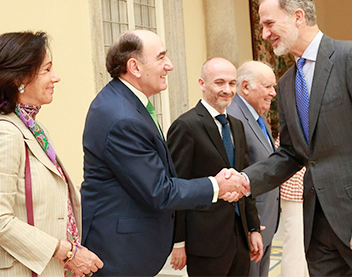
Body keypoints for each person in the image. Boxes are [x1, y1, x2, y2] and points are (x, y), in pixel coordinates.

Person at [241, 0, 352, 276]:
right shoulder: (286, 82)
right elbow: (292, 154)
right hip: (319, 234)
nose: (264, 33)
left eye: (269, 23)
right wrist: (244, 180)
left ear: (297, 16)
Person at [81, 31, 248, 277]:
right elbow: (159, 191)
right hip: (120, 254)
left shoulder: (126, 103)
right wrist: (216, 186)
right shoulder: (122, 117)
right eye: (161, 57)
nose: (169, 65)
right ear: (135, 67)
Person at [0, 31, 103, 277]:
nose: (55, 78)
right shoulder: (7, 133)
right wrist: (65, 252)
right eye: (46, 70)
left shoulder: (33, 128)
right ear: (19, 79)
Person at [167, 57, 262, 277]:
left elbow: (245, 178)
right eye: (219, 83)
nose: (227, 90)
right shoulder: (186, 126)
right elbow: (176, 185)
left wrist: (253, 228)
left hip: (239, 236)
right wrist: (178, 241)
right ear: (202, 83)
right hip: (205, 241)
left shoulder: (236, 126)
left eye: (232, 83)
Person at [226, 60, 279, 277]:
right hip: (250, 224)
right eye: (267, 87)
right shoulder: (233, 117)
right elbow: (234, 174)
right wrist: (250, 226)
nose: (273, 93)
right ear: (246, 87)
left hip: (265, 221)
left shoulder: (258, 116)